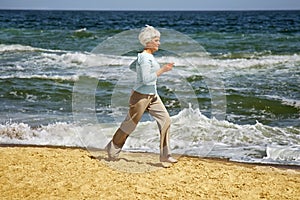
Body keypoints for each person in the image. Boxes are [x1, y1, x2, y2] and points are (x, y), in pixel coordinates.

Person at [105, 25, 178, 163]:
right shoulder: (145, 58)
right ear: (148, 42)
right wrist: (162, 70)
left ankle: (165, 155)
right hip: (141, 97)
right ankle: (112, 149)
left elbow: (133, 66)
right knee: (129, 125)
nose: (159, 43)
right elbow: (146, 79)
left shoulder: (146, 57)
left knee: (166, 120)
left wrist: (140, 78)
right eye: (156, 40)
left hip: (152, 96)